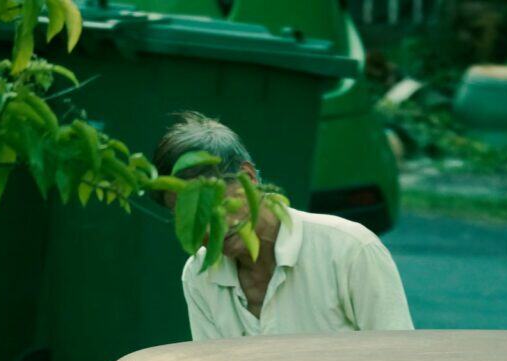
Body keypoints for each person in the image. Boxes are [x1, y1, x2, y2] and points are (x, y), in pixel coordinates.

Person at [153, 112, 413, 341]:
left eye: (214, 205)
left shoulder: (349, 248)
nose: (207, 228)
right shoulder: (200, 273)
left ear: (248, 178)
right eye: (186, 215)